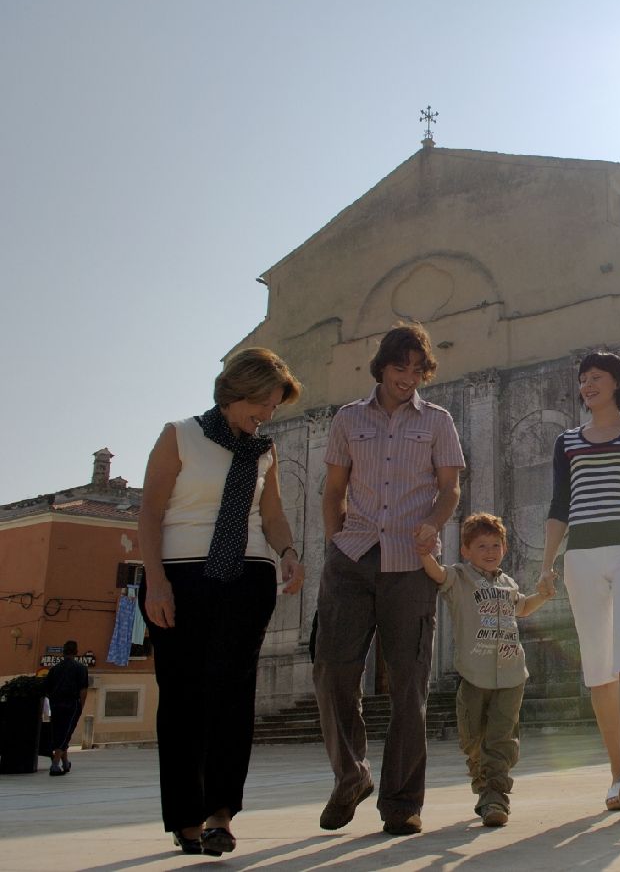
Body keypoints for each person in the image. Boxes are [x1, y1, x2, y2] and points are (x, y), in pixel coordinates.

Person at [139, 347, 307, 856]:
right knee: (184, 698)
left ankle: (220, 814)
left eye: (275, 406)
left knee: (232, 698)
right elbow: (149, 513)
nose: (268, 414)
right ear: (236, 392)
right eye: (263, 403)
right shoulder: (179, 435)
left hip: (249, 577)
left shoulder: (264, 450)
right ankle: (185, 814)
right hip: (183, 576)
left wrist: (289, 551)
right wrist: (156, 584)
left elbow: (272, 513)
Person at [314, 322, 465, 837]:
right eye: (401, 367)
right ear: (382, 367)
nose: (409, 378)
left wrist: (434, 522)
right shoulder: (348, 419)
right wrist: (335, 544)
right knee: (333, 669)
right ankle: (352, 774)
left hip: (410, 563)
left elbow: (450, 489)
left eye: (418, 370)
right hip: (352, 557)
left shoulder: (439, 421)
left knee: (409, 684)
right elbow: (333, 488)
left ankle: (401, 803)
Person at [540, 352, 620, 812]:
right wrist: (546, 564)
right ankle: (616, 776)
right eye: (582, 380)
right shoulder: (567, 442)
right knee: (598, 664)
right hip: (581, 558)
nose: (587, 385)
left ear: (617, 383)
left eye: (596, 377)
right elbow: (560, 505)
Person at [415, 512, 556, 827]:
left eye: (496, 545)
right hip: (474, 675)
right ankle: (483, 780)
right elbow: (437, 574)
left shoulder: (508, 584)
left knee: (501, 738)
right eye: (481, 546)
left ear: (504, 548)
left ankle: (495, 798)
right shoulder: (460, 577)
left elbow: (522, 607)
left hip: (511, 675)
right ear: (465, 550)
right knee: (472, 739)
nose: (490, 551)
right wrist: (425, 554)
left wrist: (542, 597)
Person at [44, 640, 88, 777]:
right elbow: (83, 690)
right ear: (76, 652)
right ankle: (55, 764)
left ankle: (66, 763)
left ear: (63, 652)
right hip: (71, 703)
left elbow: (48, 689)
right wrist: (81, 706)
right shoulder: (80, 668)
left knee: (59, 731)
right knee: (66, 733)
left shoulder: (54, 669)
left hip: (56, 703)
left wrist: (52, 703)